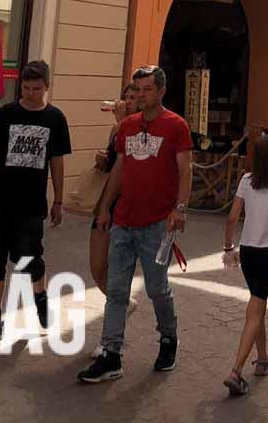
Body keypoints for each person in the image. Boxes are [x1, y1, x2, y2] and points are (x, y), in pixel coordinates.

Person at [83, 65, 192, 382]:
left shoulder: (176, 126)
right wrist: (105, 207)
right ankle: (111, 354)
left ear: (161, 91)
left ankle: (168, 338)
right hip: (123, 221)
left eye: (147, 89)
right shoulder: (128, 126)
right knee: (117, 290)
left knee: (157, 288)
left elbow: (185, 170)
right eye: (138, 89)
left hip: (158, 225)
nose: (141, 95)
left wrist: (180, 208)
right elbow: (119, 169)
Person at [0, 61, 70, 345]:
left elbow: (57, 163)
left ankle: (40, 298)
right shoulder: (4, 115)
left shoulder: (55, 119)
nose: (31, 93)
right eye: (26, 88)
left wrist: (58, 200)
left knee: (29, 259)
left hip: (30, 205)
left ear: (47, 87)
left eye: (37, 88)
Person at [221, 134, 268, 397]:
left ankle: (263, 359)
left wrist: (229, 248)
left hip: (247, 251)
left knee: (257, 303)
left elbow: (232, 218)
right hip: (267, 253)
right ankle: (236, 371)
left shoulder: (245, 181)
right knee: (255, 308)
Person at [91, 82, 138, 288]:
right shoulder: (117, 128)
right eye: (125, 97)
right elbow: (115, 164)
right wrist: (102, 160)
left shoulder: (141, 128)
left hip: (127, 204)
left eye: (133, 98)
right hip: (107, 201)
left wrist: (122, 122)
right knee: (97, 269)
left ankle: (118, 303)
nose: (127, 103)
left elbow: (132, 161)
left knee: (117, 268)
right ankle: (121, 302)